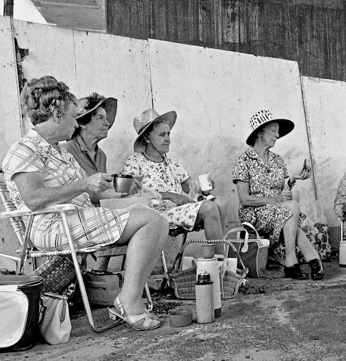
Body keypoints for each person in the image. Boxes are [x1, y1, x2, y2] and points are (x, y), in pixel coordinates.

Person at [2, 76, 167, 331]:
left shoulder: (59, 152)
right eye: (72, 116)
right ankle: (128, 301)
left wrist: (122, 191)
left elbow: (89, 193)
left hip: (77, 217)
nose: (76, 123)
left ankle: (129, 298)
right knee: (150, 221)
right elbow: (34, 198)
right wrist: (83, 184)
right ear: (57, 113)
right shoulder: (25, 149)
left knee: (156, 218)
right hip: (53, 226)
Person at [122, 109, 230, 254]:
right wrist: (170, 196)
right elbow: (130, 195)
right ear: (147, 138)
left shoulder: (172, 164)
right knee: (208, 208)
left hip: (180, 211)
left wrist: (204, 188)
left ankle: (216, 258)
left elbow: (191, 188)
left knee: (221, 203)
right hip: (156, 214)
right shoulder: (135, 162)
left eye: (168, 134)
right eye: (162, 135)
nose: (167, 139)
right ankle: (220, 260)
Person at [232, 109, 324, 280]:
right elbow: (244, 199)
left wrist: (294, 179)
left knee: (289, 212)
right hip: (254, 213)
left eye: (278, 131)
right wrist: (274, 200)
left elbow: (283, 191)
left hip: (278, 210)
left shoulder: (278, 160)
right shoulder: (243, 161)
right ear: (260, 132)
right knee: (291, 210)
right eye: (273, 130)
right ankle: (302, 259)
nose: (277, 135)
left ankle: (297, 263)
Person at [64, 93, 117, 176]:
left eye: (106, 118)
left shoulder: (101, 156)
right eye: (100, 118)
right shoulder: (66, 151)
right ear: (83, 123)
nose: (107, 123)